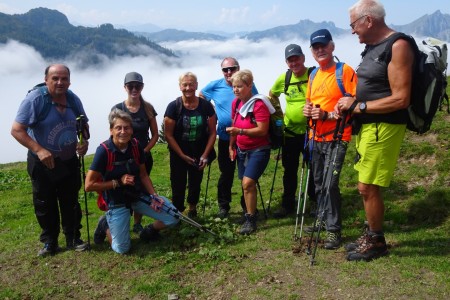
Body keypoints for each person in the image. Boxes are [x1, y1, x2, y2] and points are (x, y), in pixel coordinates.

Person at [336, 0, 414, 261]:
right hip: (371, 125)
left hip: (384, 126)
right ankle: (372, 234)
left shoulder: (398, 45)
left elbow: (401, 98)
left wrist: (358, 106)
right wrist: (350, 102)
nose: (352, 31)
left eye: (353, 24)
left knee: (367, 186)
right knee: (365, 186)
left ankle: (376, 241)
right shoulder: (373, 48)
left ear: (368, 20)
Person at [11, 64, 89, 256]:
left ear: (69, 81)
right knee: (45, 202)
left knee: (70, 200)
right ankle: (50, 242)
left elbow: (83, 125)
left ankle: (73, 238)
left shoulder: (73, 99)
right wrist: (39, 150)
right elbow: (16, 129)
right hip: (42, 162)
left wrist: (84, 141)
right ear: (46, 80)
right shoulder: (35, 100)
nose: (60, 82)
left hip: (68, 159)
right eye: (55, 78)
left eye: (64, 78)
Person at [85, 109, 179, 254]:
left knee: (174, 217)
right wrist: (118, 182)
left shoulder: (135, 146)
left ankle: (148, 231)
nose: (123, 131)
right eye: (118, 128)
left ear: (131, 130)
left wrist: (154, 196)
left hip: (138, 195)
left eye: (127, 128)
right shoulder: (104, 151)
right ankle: (105, 225)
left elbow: (143, 175)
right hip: (116, 201)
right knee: (122, 249)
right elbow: (88, 185)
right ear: (111, 130)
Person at [303, 29, 357, 249]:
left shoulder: (344, 71)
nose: (320, 50)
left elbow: (355, 102)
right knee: (317, 182)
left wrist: (329, 115)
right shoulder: (313, 75)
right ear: (312, 52)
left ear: (332, 46)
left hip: (337, 137)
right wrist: (307, 111)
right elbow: (310, 101)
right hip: (315, 137)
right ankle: (322, 219)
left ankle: (333, 230)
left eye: (323, 45)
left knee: (330, 183)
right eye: (316, 47)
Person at [199, 57, 258, 219]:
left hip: (245, 138)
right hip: (225, 138)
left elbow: (257, 103)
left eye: (232, 68)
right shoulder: (215, 85)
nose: (229, 72)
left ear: (238, 68)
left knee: (246, 174)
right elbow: (201, 96)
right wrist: (210, 112)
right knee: (226, 173)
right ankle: (223, 206)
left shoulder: (247, 85)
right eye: (225, 69)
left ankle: (247, 206)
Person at [269, 44, 316, 218]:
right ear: (286, 62)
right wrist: (277, 114)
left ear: (303, 58)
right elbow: (272, 94)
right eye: (290, 60)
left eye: (296, 58)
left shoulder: (313, 74)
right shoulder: (284, 78)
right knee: (289, 169)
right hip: (289, 133)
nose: (294, 62)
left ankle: (314, 201)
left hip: (311, 132)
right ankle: (287, 204)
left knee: (312, 168)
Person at [226, 70, 274, 234]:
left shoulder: (259, 104)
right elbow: (234, 123)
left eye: (239, 86)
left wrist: (240, 132)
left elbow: (262, 130)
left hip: (259, 149)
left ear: (249, 86)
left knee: (247, 183)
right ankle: (251, 213)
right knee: (246, 184)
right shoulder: (236, 103)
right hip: (242, 149)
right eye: (234, 86)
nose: (236, 90)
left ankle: (250, 219)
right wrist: (232, 145)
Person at [164, 72, 217, 217]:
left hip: (199, 151)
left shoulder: (206, 106)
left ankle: (192, 209)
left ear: (196, 85)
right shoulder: (173, 107)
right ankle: (178, 212)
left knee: (195, 182)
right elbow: (168, 135)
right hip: (178, 153)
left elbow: (213, 132)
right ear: (180, 86)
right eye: (185, 84)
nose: (188, 87)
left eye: (191, 84)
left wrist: (205, 155)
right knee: (178, 183)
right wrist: (181, 155)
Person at [112, 72, 159, 234]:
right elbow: (113, 133)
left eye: (137, 86)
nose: (134, 89)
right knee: (124, 188)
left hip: (143, 157)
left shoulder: (148, 108)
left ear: (142, 87)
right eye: (130, 86)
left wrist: (144, 151)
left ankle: (137, 222)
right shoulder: (118, 109)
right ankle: (122, 221)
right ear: (125, 87)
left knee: (140, 189)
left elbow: (155, 135)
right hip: (122, 158)